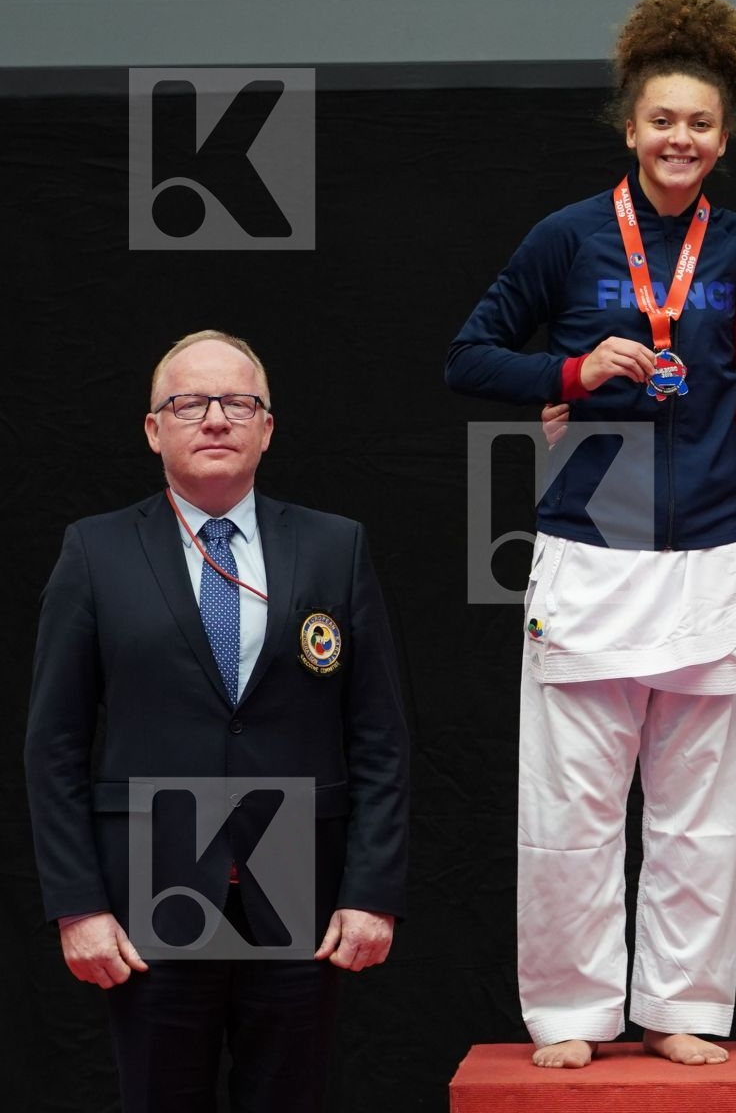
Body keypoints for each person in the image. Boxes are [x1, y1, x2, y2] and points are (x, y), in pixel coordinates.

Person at [444, 0, 736, 1069]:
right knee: (574, 806)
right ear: (631, 128)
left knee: (700, 814)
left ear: (724, 141)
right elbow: (468, 355)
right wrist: (570, 370)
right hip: (589, 548)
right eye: (662, 120)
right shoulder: (570, 238)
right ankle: (574, 1013)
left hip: (710, 551)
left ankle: (680, 1006)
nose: (680, 138)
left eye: (700, 125)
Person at [24, 330, 410, 1113]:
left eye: (238, 403)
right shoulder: (96, 552)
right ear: (153, 428)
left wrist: (371, 892)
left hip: (299, 890)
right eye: (189, 403)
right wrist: (79, 906)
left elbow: (381, 738)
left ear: (267, 428)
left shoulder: (334, 547)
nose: (215, 419)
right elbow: (54, 744)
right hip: (149, 894)